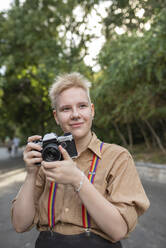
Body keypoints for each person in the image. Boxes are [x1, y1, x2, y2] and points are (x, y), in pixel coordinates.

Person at [11, 72, 150, 248]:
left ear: (92, 110)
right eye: (66, 109)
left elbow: (118, 231)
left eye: (82, 106)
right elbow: (19, 224)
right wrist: (31, 173)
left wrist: (77, 179)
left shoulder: (117, 157)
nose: (75, 114)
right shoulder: (46, 159)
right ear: (56, 116)